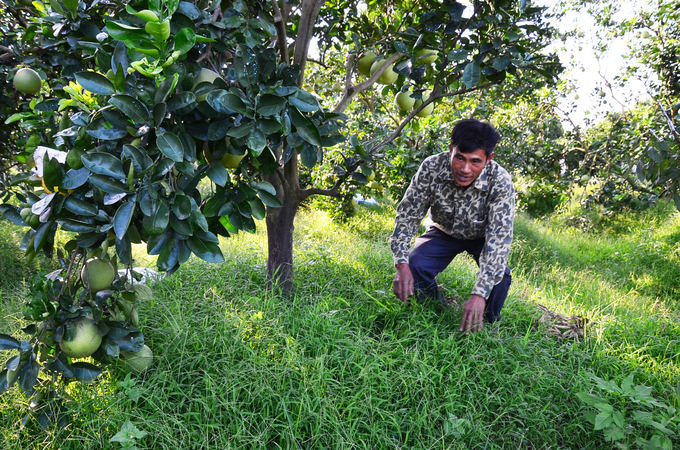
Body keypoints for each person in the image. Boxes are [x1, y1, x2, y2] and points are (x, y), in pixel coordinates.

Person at [390, 119, 515, 334]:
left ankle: (487, 323)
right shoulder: (431, 167)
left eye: (475, 161)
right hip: (443, 230)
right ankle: (435, 313)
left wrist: (479, 294)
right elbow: (407, 216)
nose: (465, 169)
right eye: (459, 158)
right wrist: (401, 264)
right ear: (450, 150)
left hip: (481, 236)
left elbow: (499, 239)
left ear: (489, 159)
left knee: (500, 276)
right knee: (415, 264)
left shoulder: (501, 181)